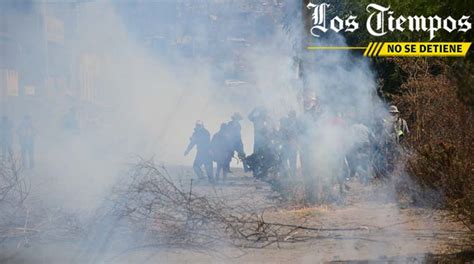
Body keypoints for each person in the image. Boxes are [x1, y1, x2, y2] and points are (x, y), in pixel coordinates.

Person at [279, 110, 298, 178]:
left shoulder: (296, 124)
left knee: (292, 162)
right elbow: (281, 134)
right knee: (284, 160)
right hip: (286, 145)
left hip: (292, 145)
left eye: (292, 116)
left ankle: (292, 176)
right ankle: (286, 175)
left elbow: (297, 135)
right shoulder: (286, 123)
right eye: (290, 115)